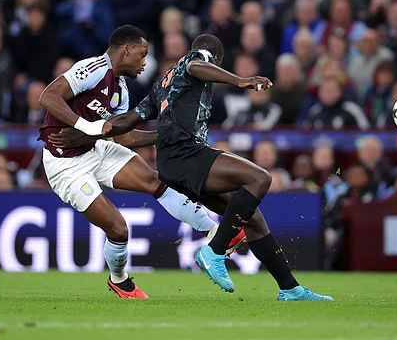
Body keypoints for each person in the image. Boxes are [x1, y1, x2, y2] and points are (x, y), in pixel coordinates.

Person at [52, 33, 333, 301]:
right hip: (187, 156)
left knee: (253, 218)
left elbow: (129, 121)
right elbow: (199, 65)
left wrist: (92, 132)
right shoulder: (195, 60)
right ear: (216, 58)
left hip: (172, 164)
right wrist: (241, 81)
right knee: (260, 178)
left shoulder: (163, 82)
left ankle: (290, 289)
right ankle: (215, 250)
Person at [37, 25, 240, 300]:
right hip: (65, 165)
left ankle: (215, 232)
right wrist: (87, 127)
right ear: (126, 49)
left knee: (156, 181)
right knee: (119, 230)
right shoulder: (93, 68)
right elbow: (48, 96)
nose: (145, 63)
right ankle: (119, 280)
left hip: (96, 149)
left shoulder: (120, 89)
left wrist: (165, 133)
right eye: (142, 55)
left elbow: (121, 136)